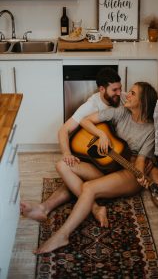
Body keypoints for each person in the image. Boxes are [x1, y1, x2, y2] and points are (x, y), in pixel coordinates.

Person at [32, 81, 158, 255]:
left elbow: (140, 161)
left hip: (129, 172)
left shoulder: (150, 130)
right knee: (62, 165)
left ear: (143, 102)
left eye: (132, 93)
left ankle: (62, 235)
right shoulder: (120, 113)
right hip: (109, 166)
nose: (126, 95)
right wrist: (102, 135)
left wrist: (140, 174)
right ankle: (96, 207)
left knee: (89, 187)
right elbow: (86, 120)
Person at [20, 67, 126, 227]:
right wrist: (67, 153)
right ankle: (91, 208)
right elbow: (64, 130)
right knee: (63, 165)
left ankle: (44, 207)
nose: (119, 93)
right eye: (115, 89)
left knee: (73, 180)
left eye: (120, 88)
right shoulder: (91, 106)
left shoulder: (123, 99)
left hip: (119, 162)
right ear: (102, 89)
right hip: (100, 163)